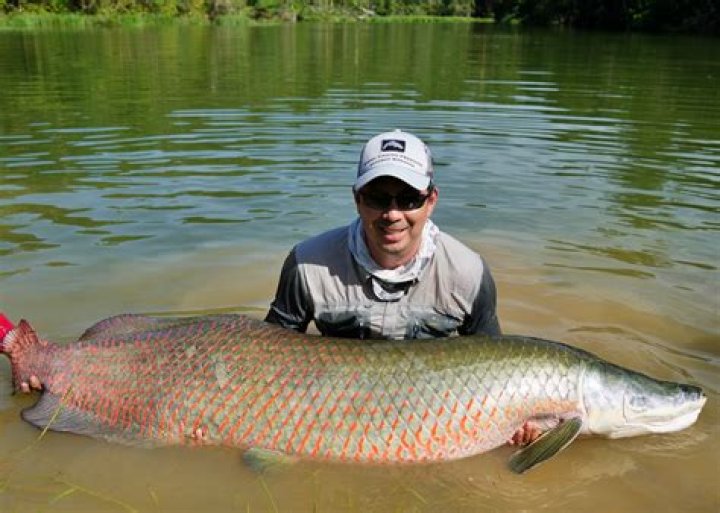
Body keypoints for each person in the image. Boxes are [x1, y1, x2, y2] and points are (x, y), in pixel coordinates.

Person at [265, 129, 539, 445]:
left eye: (409, 199)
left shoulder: (469, 273)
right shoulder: (307, 264)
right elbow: (266, 358)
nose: (392, 214)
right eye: (377, 198)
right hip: (333, 407)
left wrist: (514, 420)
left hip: (432, 411)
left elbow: (493, 366)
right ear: (357, 200)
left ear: (431, 201)